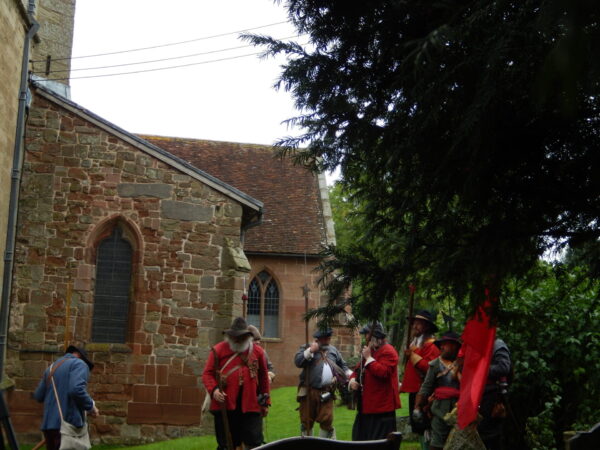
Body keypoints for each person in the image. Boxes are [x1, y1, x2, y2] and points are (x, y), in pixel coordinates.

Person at [202, 317, 270, 450]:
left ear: (247, 337)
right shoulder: (218, 350)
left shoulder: (258, 352)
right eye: (234, 337)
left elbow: (263, 377)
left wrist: (266, 402)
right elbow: (207, 374)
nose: (237, 340)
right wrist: (214, 390)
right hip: (225, 404)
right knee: (226, 444)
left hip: (251, 404)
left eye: (241, 337)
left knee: (254, 443)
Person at [33, 345, 99, 450]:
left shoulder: (50, 368)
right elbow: (76, 390)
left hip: (49, 426)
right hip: (67, 424)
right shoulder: (79, 364)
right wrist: (91, 406)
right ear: (79, 355)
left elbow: (38, 396)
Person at [294, 327, 351, 439]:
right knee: (306, 421)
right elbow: (298, 361)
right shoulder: (307, 347)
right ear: (319, 338)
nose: (327, 341)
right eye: (325, 338)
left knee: (327, 421)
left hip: (327, 392)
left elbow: (342, 365)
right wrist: (310, 351)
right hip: (309, 392)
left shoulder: (333, 350)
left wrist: (350, 375)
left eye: (328, 338)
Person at [348, 322, 400, 441]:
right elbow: (357, 370)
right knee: (360, 439)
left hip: (381, 409)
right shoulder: (371, 351)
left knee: (379, 443)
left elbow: (384, 372)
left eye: (367, 334)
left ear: (375, 336)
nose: (365, 338)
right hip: (366, 407)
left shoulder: (389, 351)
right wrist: (352, 381)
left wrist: (369, 359)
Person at [414, 331, 462, 450]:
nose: (441, 347)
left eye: (445, 344)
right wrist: (417, 407)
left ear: (454, 346)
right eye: (441, 344)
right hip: (440, 408)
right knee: (437, 444)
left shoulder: (462, 364)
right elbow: (426, 387)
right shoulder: (435, 364)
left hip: (459, 408)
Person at [400, 309, 441, 449]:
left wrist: (412, 356)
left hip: (424, 393)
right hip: (416, 391)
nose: (415, 326)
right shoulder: (416, 344)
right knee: (419, 428)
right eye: (414, 323)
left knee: (426, 428)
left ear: (427, 327)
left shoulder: (432, 345)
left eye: (419, 323)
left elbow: (430, 368)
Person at [478, 338, 511, 450]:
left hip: (493, 397)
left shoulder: (497, 344)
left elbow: (503, 368)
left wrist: (481, 369)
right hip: (481, 397)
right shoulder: (479, 346)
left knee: (491, 436)